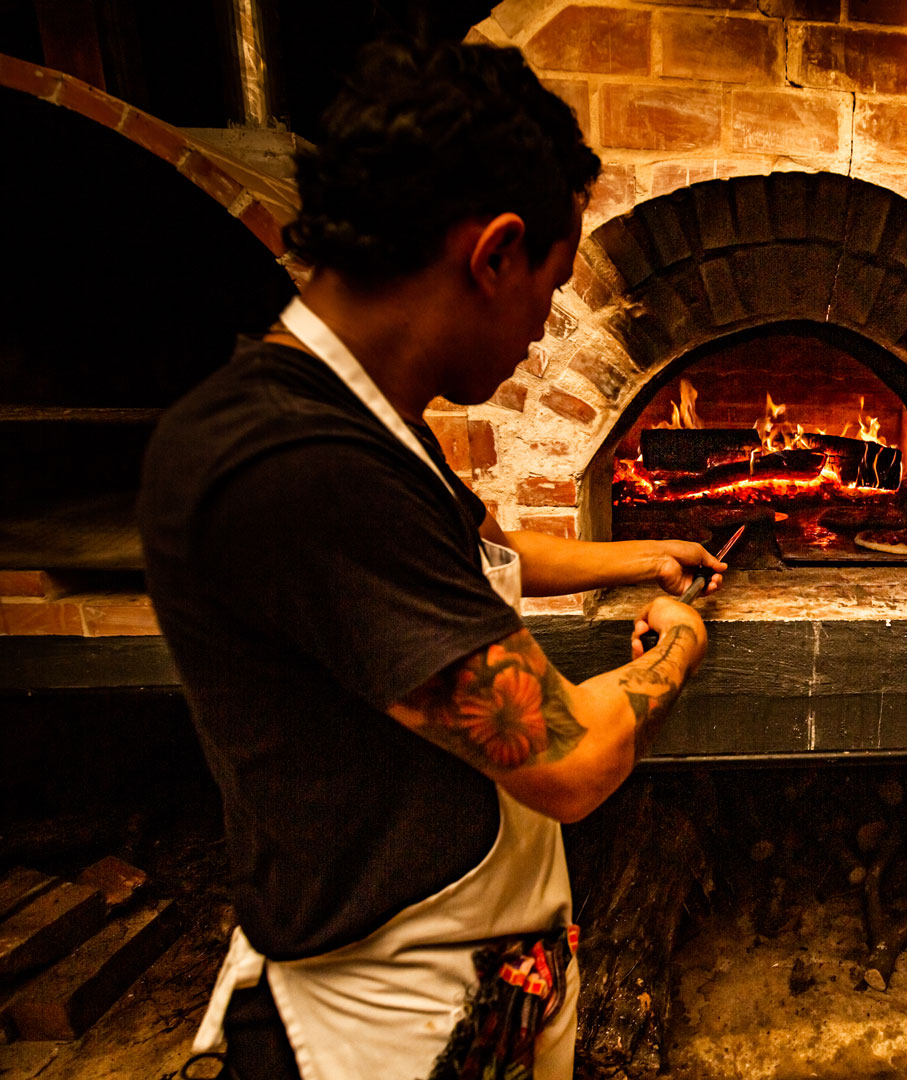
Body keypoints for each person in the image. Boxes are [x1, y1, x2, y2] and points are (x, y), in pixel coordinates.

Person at [137, 37, 722, 1080]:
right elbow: (573, 762)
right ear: (494, 252)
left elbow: (480, 560)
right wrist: (673, 649)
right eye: (548, 288)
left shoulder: (362, 422)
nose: (542, 332)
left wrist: (641, 557)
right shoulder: (297, 465)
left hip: (470, 983)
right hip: (383, 1030)